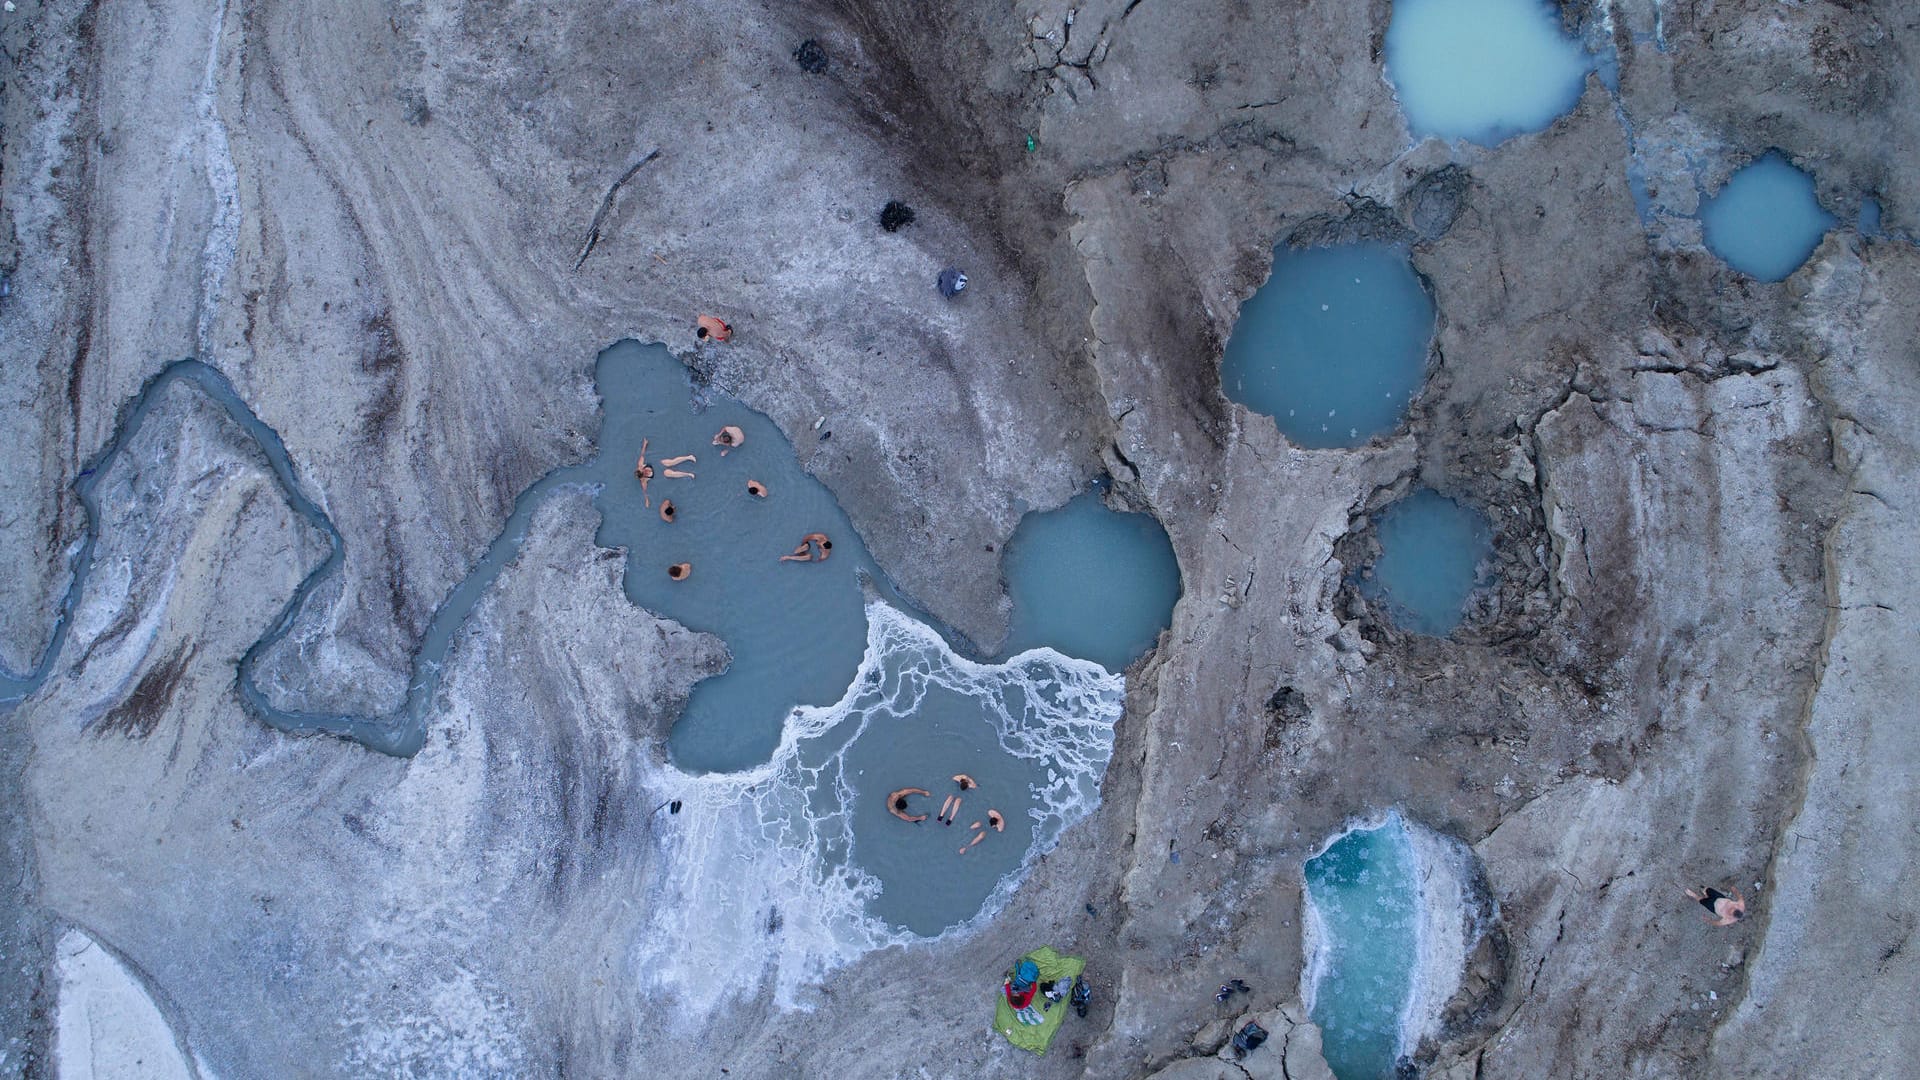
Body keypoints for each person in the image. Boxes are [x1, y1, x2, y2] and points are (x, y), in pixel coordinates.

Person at [1683, 884, 1747, 926]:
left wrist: (1708, 920)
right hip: (1719, 898)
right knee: (1707, 889)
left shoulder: (1729, 920)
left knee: (1701, 900)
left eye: (1729, 911)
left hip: (1713, 907)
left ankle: (1693, 895)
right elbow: (1739, 896)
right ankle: (1705, 893)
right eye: (1732, 908)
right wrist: (1734, 889)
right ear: (1737, 907)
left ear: (1731, 916)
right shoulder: (1740, 904)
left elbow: (1717, 923)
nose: (1729, 909)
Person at [634, 438, 654, 507]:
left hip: (650, 466)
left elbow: (642, 454)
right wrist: (647, 500)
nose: (645, 471)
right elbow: (645, 491)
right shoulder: (643, 481)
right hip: (652, 475)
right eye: (645, 473)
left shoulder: (640, 465)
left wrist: (645, 444)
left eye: (643, 470)